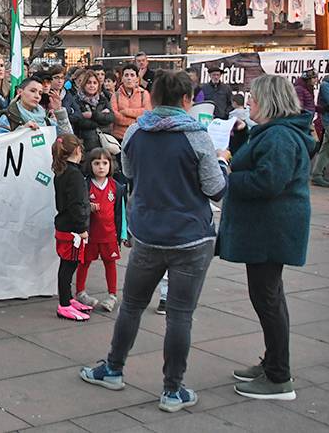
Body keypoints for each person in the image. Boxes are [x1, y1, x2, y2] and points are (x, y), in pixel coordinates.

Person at [80, 70, 230, 414]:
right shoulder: (198, 136)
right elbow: (215, 189)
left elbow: (129, 175)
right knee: (180, 315)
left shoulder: (135, 132)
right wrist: (222, 162)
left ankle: (113, 369)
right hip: (191, 236)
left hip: (147, 232)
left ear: (154, 97)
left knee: (131, 305)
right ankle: (172, 390)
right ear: (187, 100)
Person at [218, 75, 313, 401]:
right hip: (269, 230)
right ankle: (273, 362)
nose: (250, 105)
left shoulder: (280, 137)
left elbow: (268, 181)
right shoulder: (273, 133)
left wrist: (231, 178)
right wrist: (242, 140)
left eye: (254, 100)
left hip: (271, 231)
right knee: (270, 299)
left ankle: (278, 377)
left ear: (269, 102)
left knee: (268, 301)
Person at [75, 148, 127, 313]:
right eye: (97, 163)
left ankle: (112, 295)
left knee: (110, 264)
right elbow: (77, 206)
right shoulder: (85, 185)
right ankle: (80, 292)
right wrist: (87, 207)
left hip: (109, 235)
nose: (101, 167)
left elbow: (121, 212)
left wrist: (123, 234)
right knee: (84, 263)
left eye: (105, 163)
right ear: (90, 165)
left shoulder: (116, 187)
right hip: (89, 235)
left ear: (110, 165)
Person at [53, 134, 92, 321]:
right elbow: (76, 204)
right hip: (72, 228)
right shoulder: (74, 175)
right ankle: (64, 304)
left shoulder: (62, 171)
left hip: (65, 224)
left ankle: (67, 298)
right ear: (77, 149)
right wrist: (82, 228)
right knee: (68, 266)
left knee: (69, 264)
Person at [65, 69, 115, 152]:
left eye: (95, 83)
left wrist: (93, 115)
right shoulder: (76, 100)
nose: (92, 85)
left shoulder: (103, 100)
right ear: (84, 84)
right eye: (89, 83)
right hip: (85, 145)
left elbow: (111, 118)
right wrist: (101, 119)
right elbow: (80, 122)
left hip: (104, 144)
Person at [0, 77, 66, 134]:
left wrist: (59, 111)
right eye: (32, 91)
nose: (37, 96)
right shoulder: (7, 118)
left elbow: (69, 141)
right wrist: (22, 131)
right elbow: (1, 145)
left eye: (40, 93)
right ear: (20, 92)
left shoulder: (46, 119)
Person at [110, 65, 152, 140]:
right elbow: (116, 117)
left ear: (137, 79)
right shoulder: (115, 96)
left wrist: (125, 111)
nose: (129, 78)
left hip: (139, 136)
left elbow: (147, 113)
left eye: (132, 75)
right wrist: (136, 121)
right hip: (119, 137)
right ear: (122, 78)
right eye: (126, 75)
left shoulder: (144, 94)